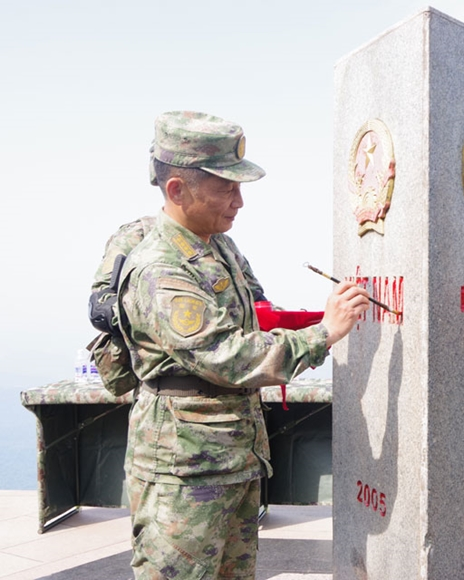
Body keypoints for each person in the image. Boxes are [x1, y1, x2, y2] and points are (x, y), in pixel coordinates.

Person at [116, 110, 371, 579]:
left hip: (232, 460)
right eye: (226, 188)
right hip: (183, 475)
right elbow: (227, 355)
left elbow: (256, 319)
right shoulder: (160, 268)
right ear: (177, 190)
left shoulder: (218, 246)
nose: (239, 201)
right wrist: (324, 333)